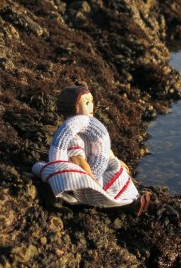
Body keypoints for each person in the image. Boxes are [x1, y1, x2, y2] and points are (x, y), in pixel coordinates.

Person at [32, 85, 152, 216]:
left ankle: (135, 198)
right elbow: (78, 160)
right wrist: (91, 178)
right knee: (99, 192)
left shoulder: (91, 129)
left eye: (92, 102)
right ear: (74, 107)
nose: (92, 107)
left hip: (98, 168)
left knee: (118, 173)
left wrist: (115, 159)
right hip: (83, 174)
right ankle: (128, 206)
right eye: (87, 103)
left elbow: (103, 148)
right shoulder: (72, 135)